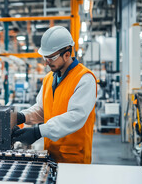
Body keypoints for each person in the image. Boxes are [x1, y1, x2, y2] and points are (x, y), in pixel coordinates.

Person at [12, 26, 97, 164]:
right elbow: (42, 109)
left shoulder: (84, 79)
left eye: (51, 58)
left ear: (67, 54)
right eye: (45, 57)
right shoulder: (49, 78)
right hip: (50, 155)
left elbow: (75, 116)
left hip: (74, 159)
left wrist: (38, 132)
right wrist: (22, 116)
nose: (46, 62)